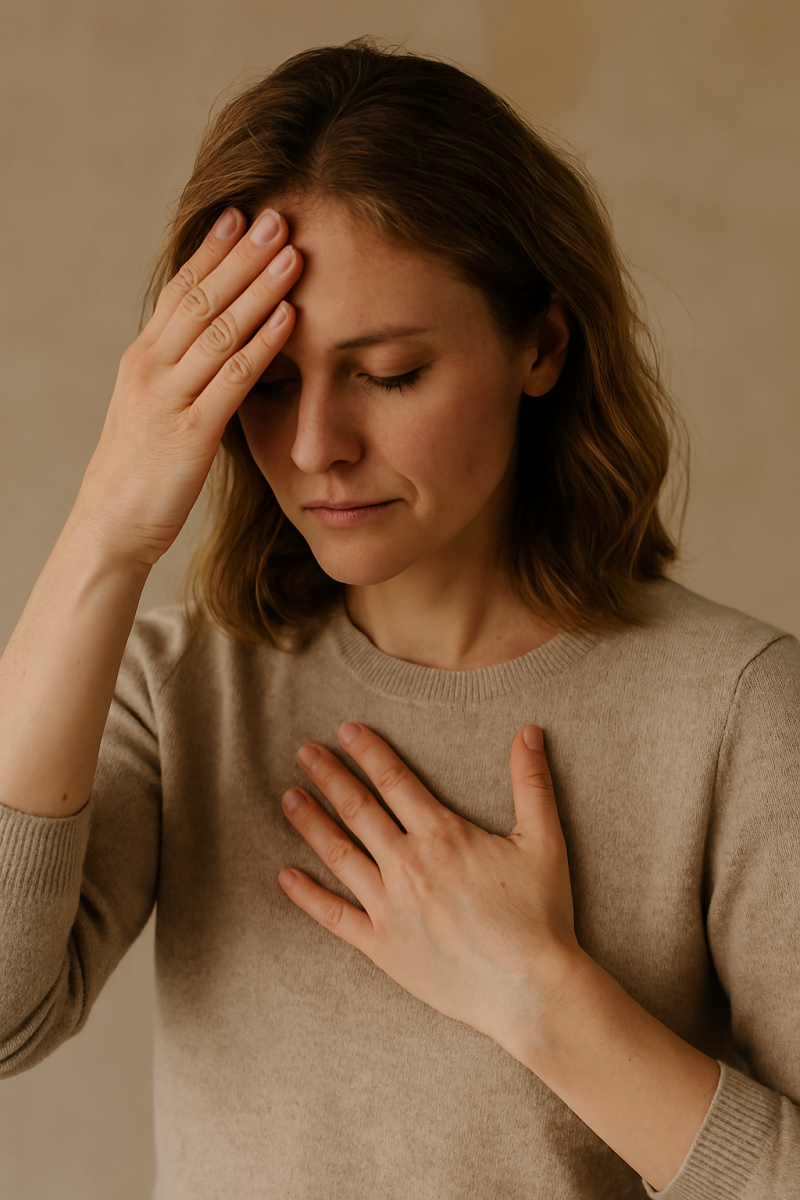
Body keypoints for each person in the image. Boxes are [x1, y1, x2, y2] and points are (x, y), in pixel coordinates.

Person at [0, 37, 797, 1200]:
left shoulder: (734, 713)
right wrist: (104, 531)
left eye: (386, 373)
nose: (315, 444)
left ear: (541, 343)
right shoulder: (181, 690)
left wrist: (540, 996)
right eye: (267, 383)